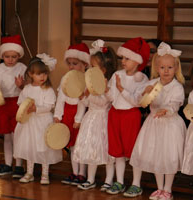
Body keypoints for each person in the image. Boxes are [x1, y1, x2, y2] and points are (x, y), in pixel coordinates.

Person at [127, 42, 186, 200]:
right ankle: (159, 188)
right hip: (153, 124)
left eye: (170, 68)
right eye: (162, 68)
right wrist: (144, 93)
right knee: (156, 156)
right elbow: (142, 102)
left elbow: (175, 104)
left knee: (169, 156)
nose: (166, 71)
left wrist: (167, 110)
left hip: (170, 125)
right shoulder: (151, 84)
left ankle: (167, 189)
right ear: (156, 68)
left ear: (176, 68)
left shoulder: (177, 87)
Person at [105, 37, 150, 195]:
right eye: (122, 58)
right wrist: (106, 90)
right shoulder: (117, 74)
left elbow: (137, 102)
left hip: (131, 116)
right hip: (115, 115)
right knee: (117, 151)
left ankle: (136, 184)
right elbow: (111, 98)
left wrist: (121, 88)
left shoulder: (142, 79)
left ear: (138, 61)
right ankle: (119, 182)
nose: (123, 61)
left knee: (133, 151)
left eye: (127, 58)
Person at [73, 39, 118, 191]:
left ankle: (109, 179)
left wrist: (105, 91)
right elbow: (86, 103)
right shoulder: (89, 83)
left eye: (93, 66)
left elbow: (110, 101)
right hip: (90, 119)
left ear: (104, 69)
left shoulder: (109, 83)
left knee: (107, 150)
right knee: (90, 148)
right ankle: (90, 179)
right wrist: (83, 96)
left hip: (104, 119)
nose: (90, 70)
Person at [13, 53, 62, 185]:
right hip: (29, 123)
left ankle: (44, 174)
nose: (42, 77)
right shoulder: (27, 89)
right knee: (30, 147)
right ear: (30, 74)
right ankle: (29, 173)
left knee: (43, 147)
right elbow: (21, 103)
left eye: (44, 74)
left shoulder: (48, 90)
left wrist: (36, 108)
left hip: (43, 122)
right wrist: (26, 108)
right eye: (39, 74)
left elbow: (49, 106)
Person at [0, 35, 27, 178]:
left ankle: (18, 165)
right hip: (3, 104)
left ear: (18, 56)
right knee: (7, 137)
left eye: (13, 57)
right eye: (7, 56)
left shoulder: (22, 68)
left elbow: (27, 88)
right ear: (2, 56)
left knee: (17, 135)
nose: (10, 60)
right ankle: (8, 163)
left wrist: (21, 85)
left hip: (17, 104)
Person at [54, 43, 90, 185]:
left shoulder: (86, 80)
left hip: (80, 115)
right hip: (67, 114)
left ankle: (82, 173)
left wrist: (78, 119)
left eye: (74, 64)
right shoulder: (65, 78)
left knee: (81, 145)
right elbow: (61, 99)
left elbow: (83, 102)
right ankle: (75, 172)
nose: (71, 67)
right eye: (69, 63)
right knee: (72, 146)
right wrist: (58, 115)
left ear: (85, 64)